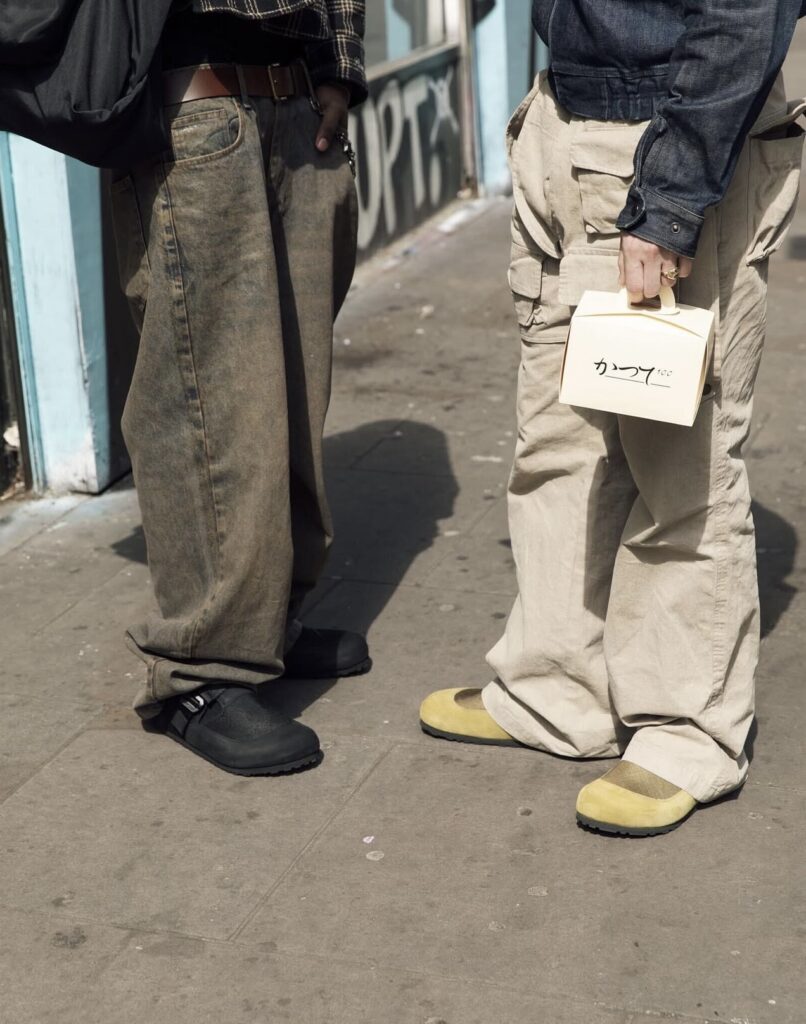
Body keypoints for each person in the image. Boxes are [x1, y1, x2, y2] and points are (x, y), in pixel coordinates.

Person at [420, 0, 806, 835]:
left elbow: (743, 14)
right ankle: (557, 691)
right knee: (560, 442)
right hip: (566, 123)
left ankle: (686, 733)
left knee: (683, 467)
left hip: (668, 140)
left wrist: (669, 201)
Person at [110, 0, 368, 775]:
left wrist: (338, 70)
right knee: (207, 398)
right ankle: (197, 672)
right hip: (194, 101)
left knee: (290, 389)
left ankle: (264, 623)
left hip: (297, 100)